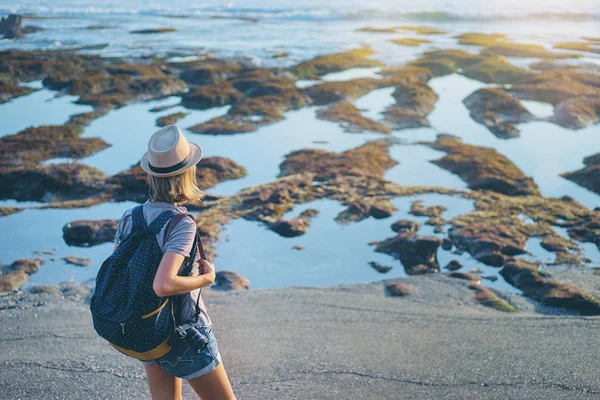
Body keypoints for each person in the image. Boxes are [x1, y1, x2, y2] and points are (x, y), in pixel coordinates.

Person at [112, 125, 235, 400]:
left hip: (145, 329)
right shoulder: (180, 223)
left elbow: (121, 273)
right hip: (183, 331)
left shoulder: (129, 217)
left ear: (152, 175)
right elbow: (163, 284)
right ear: (187, 173)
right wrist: (207, 278)